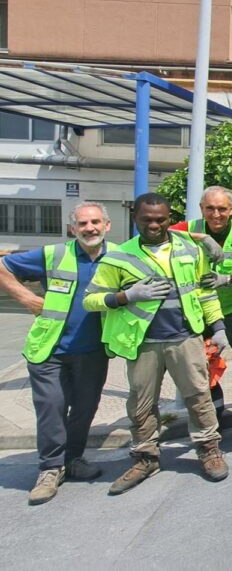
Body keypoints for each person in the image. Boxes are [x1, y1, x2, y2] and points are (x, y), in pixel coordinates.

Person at [84, 192, 229, 494]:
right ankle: (145, 457)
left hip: (185, 338)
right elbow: (91, 300)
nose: (154, 224)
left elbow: (204, 292)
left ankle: (208, 449)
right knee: (141, 403)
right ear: (134, 218)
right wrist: (126, 296)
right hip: (143, 342)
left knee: (199, 396)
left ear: (169, 218)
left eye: (161, 219)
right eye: (147, 219)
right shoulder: (118, 257)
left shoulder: (189, 249)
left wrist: (218, 327)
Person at [0, 202, 112, 505]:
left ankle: (73, 459)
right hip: (50, 350)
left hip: (94, 351)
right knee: (52, 408)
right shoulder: (54, 254)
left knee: (85, 409)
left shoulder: (118, 256)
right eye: (82, 223)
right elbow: (2, 266)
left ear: (107, 225)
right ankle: (50, 469)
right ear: (71, 228)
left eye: (95, 222)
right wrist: (27, 298)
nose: (89, 228)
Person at [169, 186, 232, 420]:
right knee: (201, 366)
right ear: (201, 209)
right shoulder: (191, 228)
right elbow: (160, 233)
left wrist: (226, 279)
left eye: (222, 209)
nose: (216, 214)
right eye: (210, 209)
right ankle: (214, 416)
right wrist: (202, 237)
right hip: (199, 310)